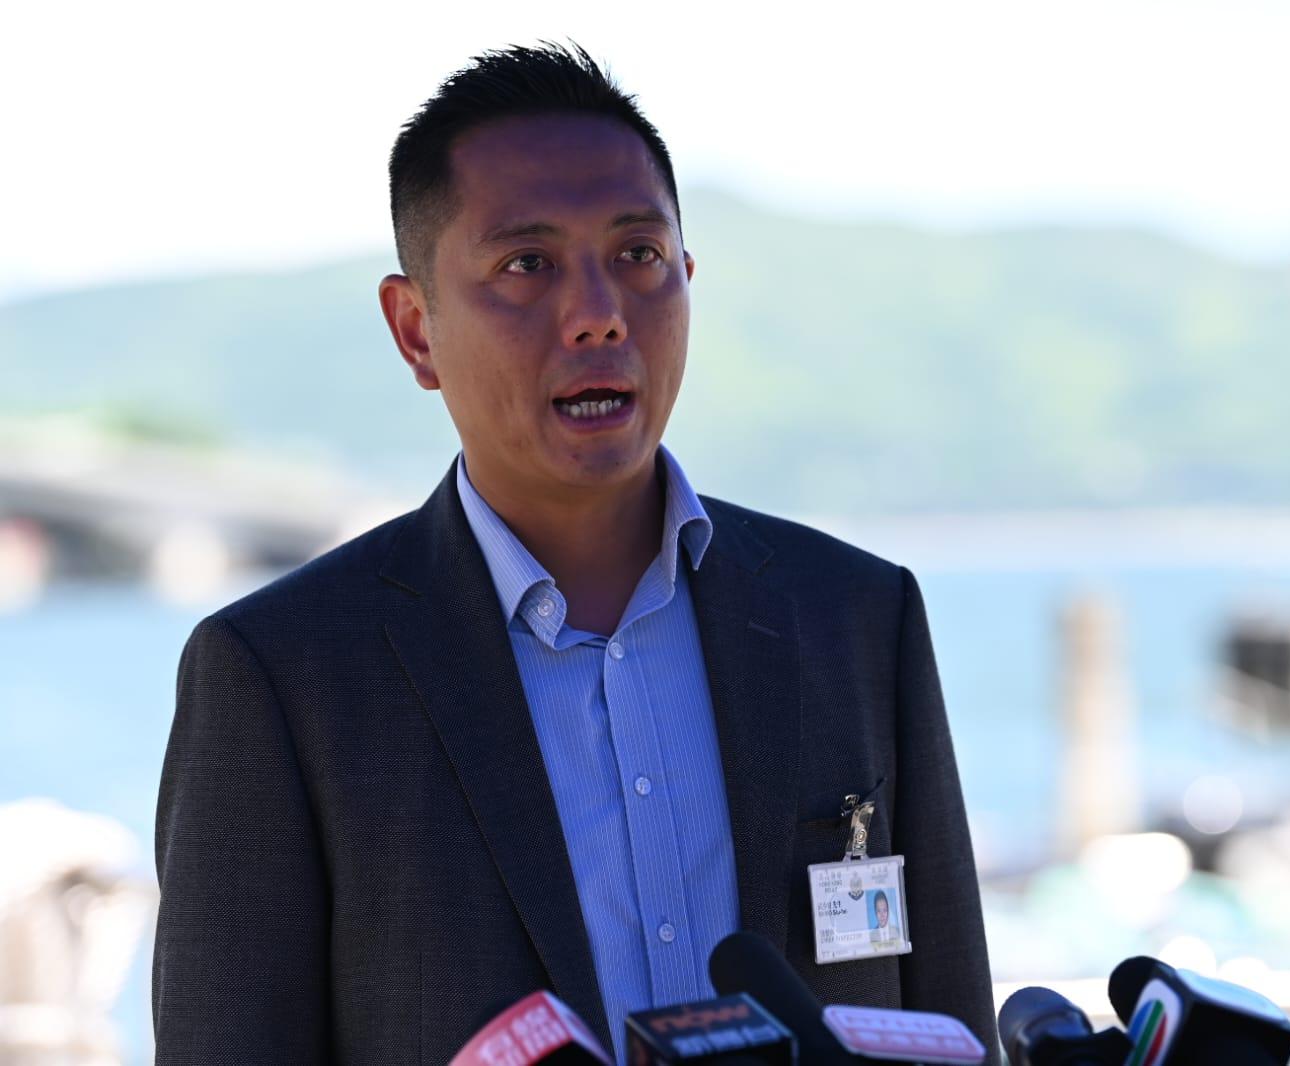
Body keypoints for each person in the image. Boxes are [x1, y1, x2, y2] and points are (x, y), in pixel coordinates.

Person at [152, 42, 997, 1065]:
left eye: (638, 255)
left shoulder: (855, 617)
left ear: (686, 278)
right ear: (415, 330)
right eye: (527, 265)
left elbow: (953, 1025)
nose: (599, 314)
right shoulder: (285, 676)